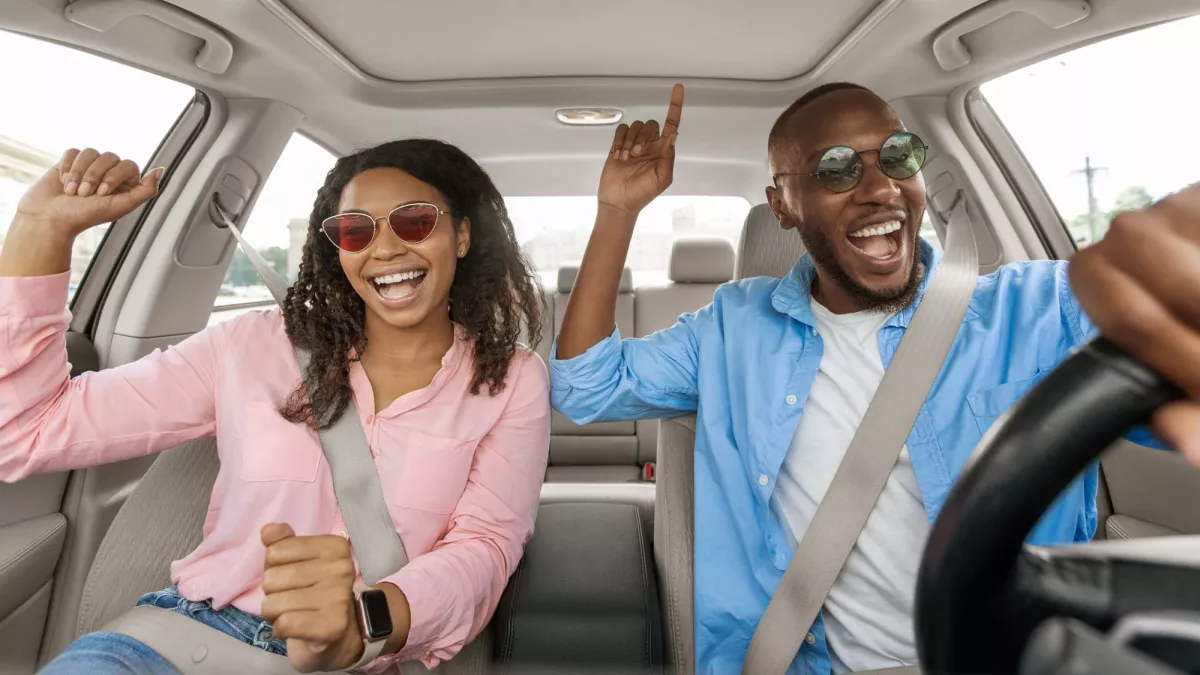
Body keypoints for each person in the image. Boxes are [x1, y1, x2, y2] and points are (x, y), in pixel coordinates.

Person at [551, 82, 1200, 674]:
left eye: (898, 156)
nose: (881, 188)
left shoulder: (1036, 307)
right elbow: (584, 385)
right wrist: (617, 212)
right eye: (836, 168)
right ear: (782, 205)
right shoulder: (730, 328)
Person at [0, 139, 551, 674]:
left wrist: (361, 625)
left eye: (414, 222)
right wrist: (40, 229)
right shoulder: (249, 346)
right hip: (185, 636)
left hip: (362, 656)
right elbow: (31, 429)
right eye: (356, 230)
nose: (384, 249)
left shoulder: (512, 380)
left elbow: (486, 546)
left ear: (461, 236)